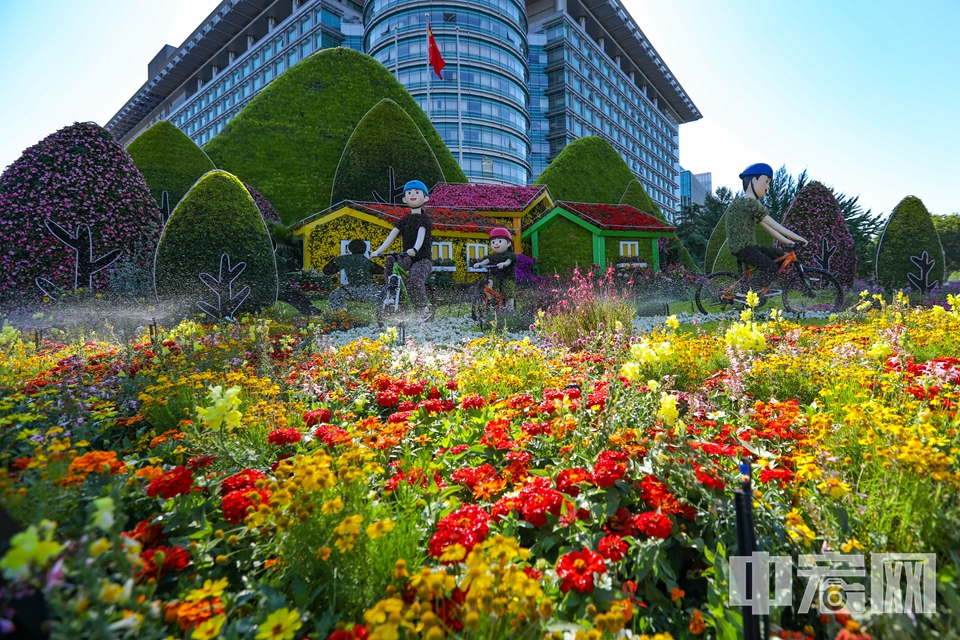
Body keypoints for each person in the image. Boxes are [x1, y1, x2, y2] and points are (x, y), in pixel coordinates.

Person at [724, 163, 808, 290]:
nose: (768, 187)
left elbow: (769, 229)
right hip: (743, 248)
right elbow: (775, 225)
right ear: (754, 180)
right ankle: (748, 291)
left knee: (779, 256)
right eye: (766, 181)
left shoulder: (744, 205)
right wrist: (800, 239)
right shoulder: (749, 204)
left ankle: (759, 289)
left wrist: (788, 242)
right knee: (771, 269)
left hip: (747, 246)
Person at [369, 180, 433, 318]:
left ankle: (423, 309)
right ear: (404, 199)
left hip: (422, 259)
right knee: (391, 261)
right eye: (409, 193)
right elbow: (391, 237)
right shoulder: (403, 221)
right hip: (407, 256)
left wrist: (415, 249)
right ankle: (391, 293)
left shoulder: (424, 219)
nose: (413, 195)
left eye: (417, 192)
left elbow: (420, 236)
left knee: (415, 279)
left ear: (426, 198)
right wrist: (378, 251)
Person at [322, 239, 381, 311]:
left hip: (351, 290)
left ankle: (341, 313)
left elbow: (327, 271)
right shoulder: (366, 261)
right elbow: (381, 270)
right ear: (364, 249)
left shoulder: (344, 259)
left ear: (350, 249)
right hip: (369, 290)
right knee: (382, 299)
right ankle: (387, 313)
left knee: (334, 296)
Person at [471, 227, 517, 310]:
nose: (496, 244)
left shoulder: (509, 255)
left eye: (499, 241)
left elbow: (508, 261)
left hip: (507, 277)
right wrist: (480, 263)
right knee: (489, 282)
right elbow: (487, 260)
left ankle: (511, 308)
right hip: (495, 276)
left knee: (508, 287)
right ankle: (492, 300)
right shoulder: (492, 256)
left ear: (508, 243)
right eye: (493, 242)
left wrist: (504, 264)